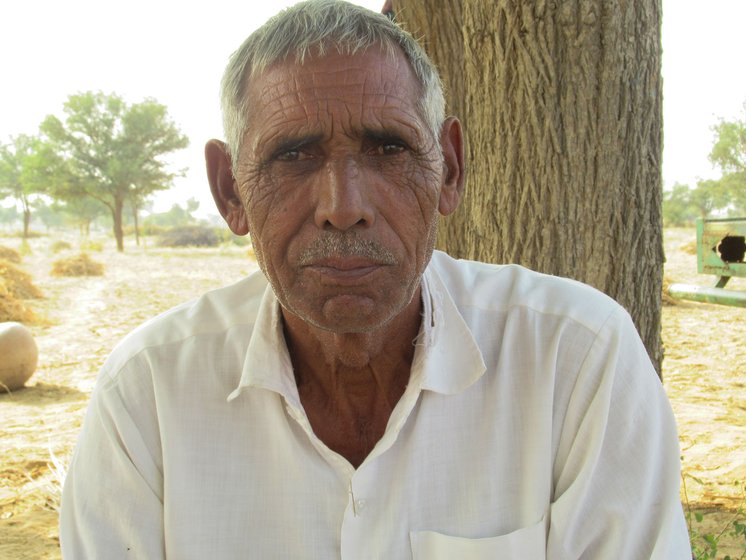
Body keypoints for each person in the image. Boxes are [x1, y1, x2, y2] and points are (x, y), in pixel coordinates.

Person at [60, 1, 691, 558]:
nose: (343, 204)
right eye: (293, 154)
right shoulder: (147, 394)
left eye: (388, 148)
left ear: (449, 169)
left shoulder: (575, 358)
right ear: (230, 191)